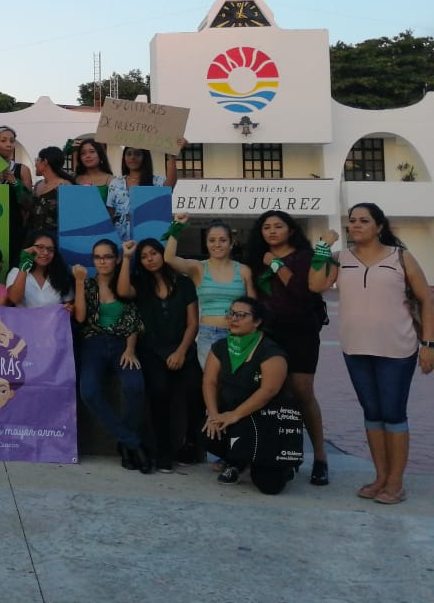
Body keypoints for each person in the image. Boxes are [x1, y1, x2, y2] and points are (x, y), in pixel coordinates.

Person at [311, 203, 433, 505]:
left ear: (379, 226)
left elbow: (426, 299)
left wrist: (429, 345)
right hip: (355, 348)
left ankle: (396, 483)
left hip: (397, 349)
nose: (355, 225)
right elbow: (316, 284)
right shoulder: (341, 258)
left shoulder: (400, 257)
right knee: (372, 413)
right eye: (352, 220)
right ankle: (380, 477)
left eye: (364, 221)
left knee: (393, 414)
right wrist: (323, 248)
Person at [247, 209, 330, 486]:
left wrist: (275, 264)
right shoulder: (256, 259)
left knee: (303, 393)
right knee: (273, 393)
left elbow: (301, 291)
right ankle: (280, 453)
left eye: (278, 226)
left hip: (301, 333)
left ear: (291, 230)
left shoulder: (304, 257)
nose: (271, 231)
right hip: (268, 334)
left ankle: (320, 458)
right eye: (266, 227)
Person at [117, 238, 201, 471]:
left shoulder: (183, 283)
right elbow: (122, 291)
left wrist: (181, 352)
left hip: (183, 348)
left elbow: (193, 323)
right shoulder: (141, 284)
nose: (150, 259)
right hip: (152, 351)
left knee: (196, 389)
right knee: (159, 392)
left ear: (162, 254)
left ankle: (191, 442)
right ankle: (163, 452)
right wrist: (127, 257)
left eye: (153, 253)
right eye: (144, 256)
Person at [202, 297, 298, 493]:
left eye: (241, 315)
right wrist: (213, 414)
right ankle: (235, 462)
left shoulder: (271, 352)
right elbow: (209, 382)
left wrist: (234, 415)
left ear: (257, 321)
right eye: (231, 313)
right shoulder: (220, 347)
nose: (233, 319)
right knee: (208, 432)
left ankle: (281, 466)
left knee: (270, 486)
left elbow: (269, 391)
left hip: (265, 420)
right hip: (232, 415)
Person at [73, 239, 151, 473]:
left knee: (135, 386)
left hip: (122, 345)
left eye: (107, 256)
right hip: (93, 344)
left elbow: (134, 319)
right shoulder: (88, 285)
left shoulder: (125, 283)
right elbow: (80, 318)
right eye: (98, 257)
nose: (102, 261)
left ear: (116, 259)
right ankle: (132, 442)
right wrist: (79, 283)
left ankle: (126, 446)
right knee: (88, 392)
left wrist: (130, 349)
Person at [162, 215, 253, 373]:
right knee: (212, 381)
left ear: (231, 243)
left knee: (236, 382)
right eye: (212, 240)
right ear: (206, 243)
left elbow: (253, 306)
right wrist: (177, 225)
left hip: (239, 335)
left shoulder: (244, 270)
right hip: (209, 334)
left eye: (222, 240)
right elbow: (169, 258)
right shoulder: (199, 268)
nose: (217, 244)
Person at [106, 142, 183, 242]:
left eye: (137, 154)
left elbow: (170, 185)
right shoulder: (115, 182)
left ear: (145, 158)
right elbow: (110, 212)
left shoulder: (155, 181)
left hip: (147, 233)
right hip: (120, 236)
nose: (132, 157)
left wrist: (171, 156)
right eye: (129, 154)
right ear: (124, 158)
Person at [0, 126, 32, 265]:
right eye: (3, 140)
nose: (8, 144)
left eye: (12, 141)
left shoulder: (22, 169)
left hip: (13, 226)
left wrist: (15, 182)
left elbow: (29, 203)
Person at [6, 230, 74, 311]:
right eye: (40, 247)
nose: (45, 252)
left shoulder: (61, 274)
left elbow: (70, 305)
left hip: (53, 320)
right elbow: (14, 299)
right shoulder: (16, 272)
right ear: (29, 248)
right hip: (24, 319)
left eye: (50, 249)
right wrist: (24, 268)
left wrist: (70, 309)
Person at [27, 146, 73, 239]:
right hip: (35, 237)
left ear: (45, 162)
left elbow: (70, 216)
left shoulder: (64, 185)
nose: (35, 164)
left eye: (37, 160)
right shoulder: (38, 185)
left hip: (55, 238)